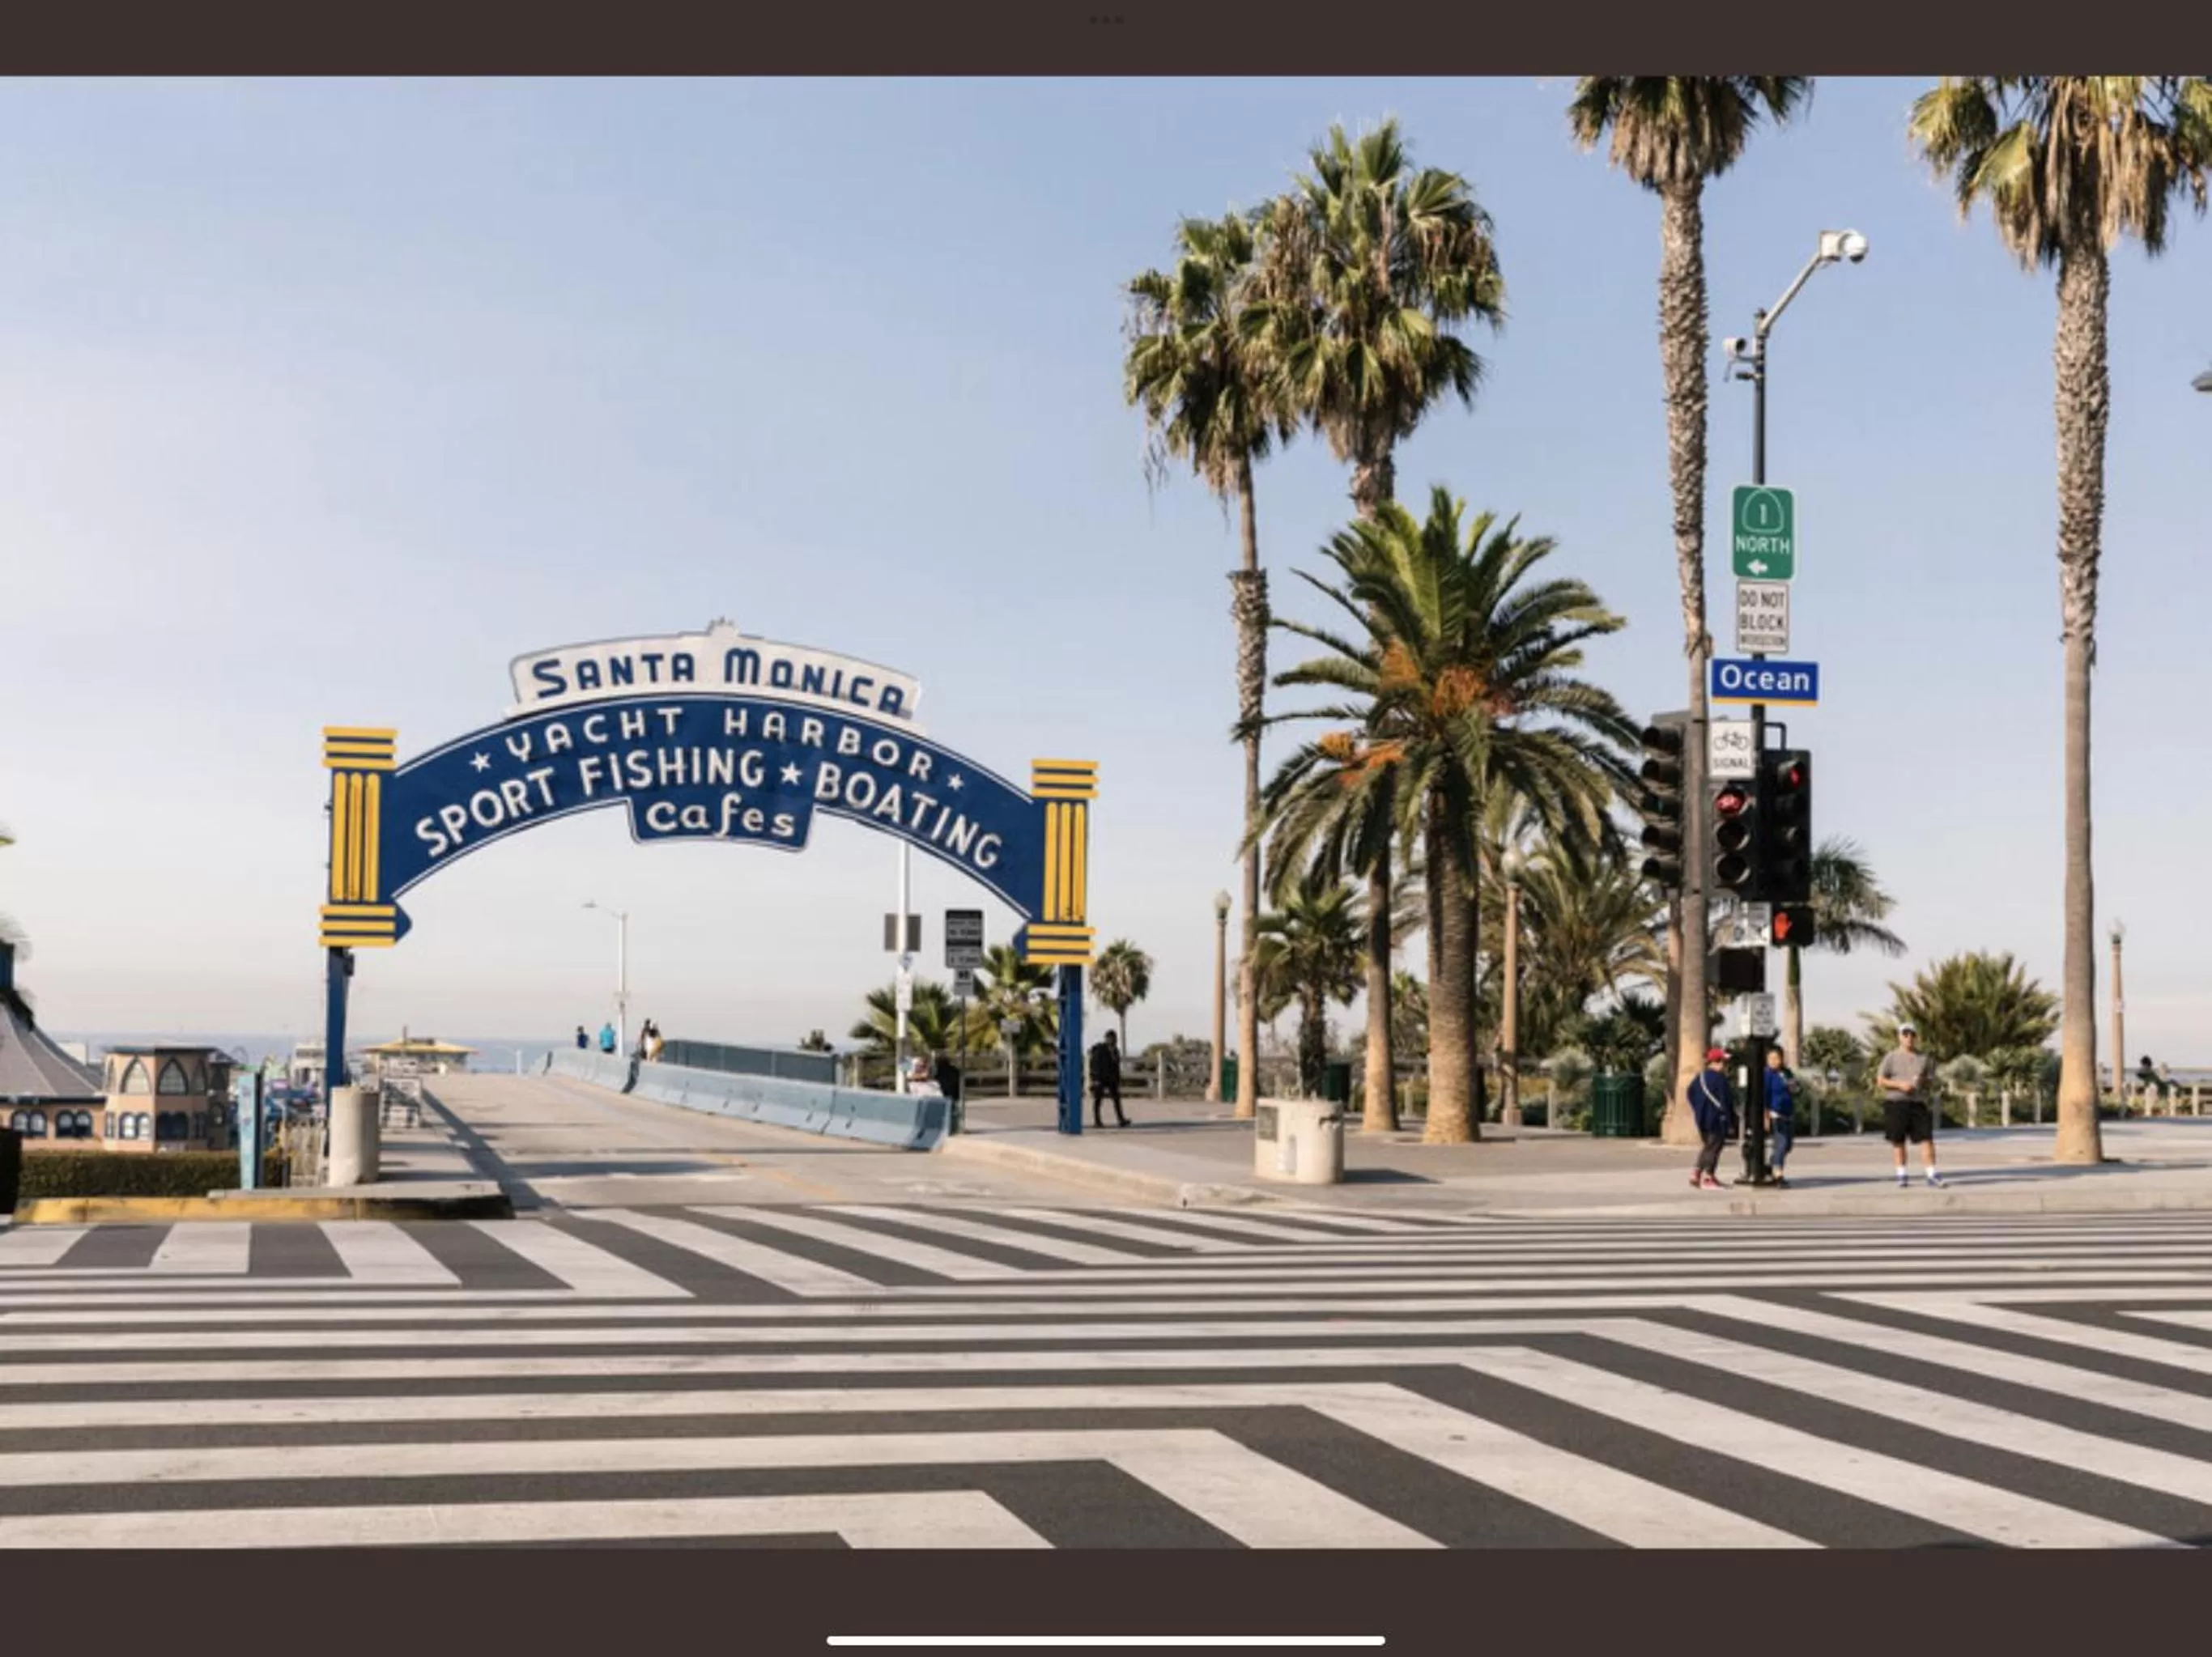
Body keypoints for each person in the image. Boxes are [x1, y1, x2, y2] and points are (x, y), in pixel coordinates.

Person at [1877, 1022, 1945, 1188]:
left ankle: (1931, 1174)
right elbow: (1881, 1080)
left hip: (1917, 1102)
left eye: (1912, 1034)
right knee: (1898, 1140)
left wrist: (1923, 1081)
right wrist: (1900, 1085)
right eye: (1905, 1034)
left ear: (1916, 1037)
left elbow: (1931, 1080)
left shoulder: (1924, 1058)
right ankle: (1901, 1174)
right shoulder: (1891, 1057)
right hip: (1896, 1102)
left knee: (1927, 1138)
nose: (1909, 1038)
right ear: (1899, 1037)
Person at [1687, 1047, 1736, 1191]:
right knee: (1715, 1147)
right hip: (1717, 1118)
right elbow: (1725, 1101)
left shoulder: (1699, 1078)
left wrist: (1698, 1108)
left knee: (1707, 1146)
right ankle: (1708, 1177)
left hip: (1702, 1118)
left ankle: (1696, 1173)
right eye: (1722, 1062)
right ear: (1715, 1062)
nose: (1724, 1065)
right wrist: (1731, 1120)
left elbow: (1690, 1093)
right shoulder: (1720, 1079)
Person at [1764, 1049, 1798, 1189]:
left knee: (1788, 1145)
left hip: (1788, 1113)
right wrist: (1766, 1115)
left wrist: (1794, 1087)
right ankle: (1778, 1174)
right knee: (1781, 1143)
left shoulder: (1787, 1073)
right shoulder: (1767, 1075)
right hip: (1775, 1113)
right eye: (1771, 1058)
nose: (1774, 1061)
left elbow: (1796, 1089)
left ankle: (1772, 1163)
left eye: (1776, 1058)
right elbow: (1764, 1095)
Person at [1089, 1029, 1128, 1128]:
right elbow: (1095, 1065)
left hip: (1112, 1079)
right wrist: (1095, 1078)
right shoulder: (1100, 1049)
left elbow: (1116, 1066)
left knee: (1116, 1099)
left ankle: (1121, 1119)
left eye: (1115, 1038)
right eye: (1111, 1038)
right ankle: (1097, 1121)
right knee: (1098, 1100)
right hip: (1101, 1078)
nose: (1114, 1040)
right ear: (1107, 1039)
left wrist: (1118, 1079)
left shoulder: (1116, 1050)